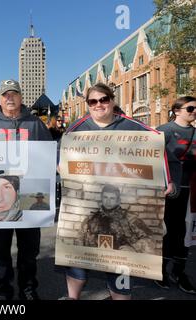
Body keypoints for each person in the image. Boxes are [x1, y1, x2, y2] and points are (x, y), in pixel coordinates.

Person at [60, 82, 181, 300]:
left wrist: (169, 181)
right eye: (93, 101)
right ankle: (72, 297)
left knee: (121, 267)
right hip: (85, 210)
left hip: (122, 221)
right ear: (87, 104)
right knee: (76, 258)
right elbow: (61, 155)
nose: (99, 105)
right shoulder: (75, 129)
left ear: (112, 100)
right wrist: (59, 166)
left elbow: (162, 150)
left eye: (103, 99)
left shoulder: (134, 126)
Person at [0, 79, 53, 300]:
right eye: (5, 94)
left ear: (21, 97)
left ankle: (28, 290)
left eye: (14, 94)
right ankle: (3, 292)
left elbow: (50, 155)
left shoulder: (35, 124)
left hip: (30, 194)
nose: (9, 98)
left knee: (29, 250)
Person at [156, 96, 196, 294]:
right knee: (168, 231)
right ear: (177, 110)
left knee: (186, 233)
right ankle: (161, 271)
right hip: (171, 190)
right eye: (190, 108)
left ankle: (179, 273)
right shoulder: (164, 131)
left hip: (192, 190)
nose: (194, 111)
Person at [80, 184, 155, 254]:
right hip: (96, 261)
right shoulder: (90, 219)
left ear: (118, 200)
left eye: (112, 198)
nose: (108, 201)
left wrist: (133, 248)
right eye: (105, 197)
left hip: (122, 262)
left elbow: (150, 239)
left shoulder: (130, 219)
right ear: (101, 198)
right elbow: (79, 241)